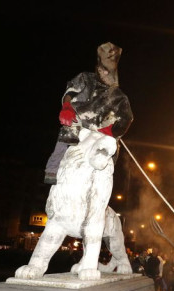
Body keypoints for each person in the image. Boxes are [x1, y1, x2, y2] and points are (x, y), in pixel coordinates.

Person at [44, 42, 133, 184]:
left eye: (108, 71)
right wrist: (67, 106)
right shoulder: (85, 78)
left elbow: (127, 118)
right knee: (69, 131)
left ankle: (101, 182)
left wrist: (113, 131)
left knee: (109, 147)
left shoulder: (119, 95)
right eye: (103, 70)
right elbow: (70, 92)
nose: (105, 73)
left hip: (104, 130)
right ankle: (53, 168)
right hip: (79, 121)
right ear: (98, 68)